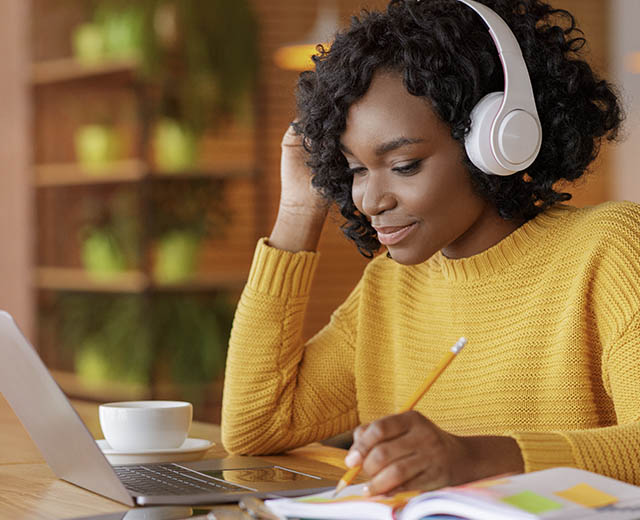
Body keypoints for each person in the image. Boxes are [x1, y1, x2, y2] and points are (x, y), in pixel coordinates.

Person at [221, 0, 635, 496]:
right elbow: (256, 425)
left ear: (497, 141)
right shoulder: (390, 284)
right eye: (354, 169)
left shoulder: (609, 248)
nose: (370, 200)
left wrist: (476, 459)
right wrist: (297, 212)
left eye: (404, 164)